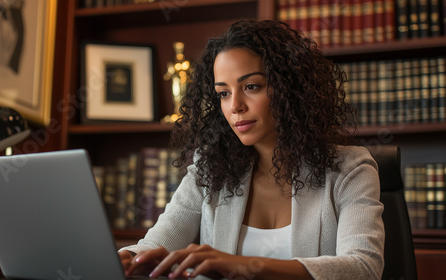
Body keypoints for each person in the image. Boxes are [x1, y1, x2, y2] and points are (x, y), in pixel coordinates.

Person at [118, 19, 385, 280]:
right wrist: (129, 258)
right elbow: (156, 244)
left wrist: (244, 266)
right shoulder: (210, 168)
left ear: (289, 89)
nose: (235, 106)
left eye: (251, 87)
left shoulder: (350, 169)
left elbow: (363, 268)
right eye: (223, 93)